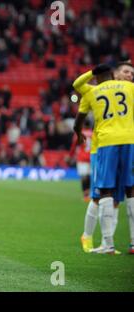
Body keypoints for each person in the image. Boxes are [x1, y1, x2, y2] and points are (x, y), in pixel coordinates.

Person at [74, 61, 134, 254]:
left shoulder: (92, 91)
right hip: (125, 142)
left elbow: (77, 86)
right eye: (126, 72)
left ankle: (108, 243)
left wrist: (78, 133)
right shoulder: (129, 88)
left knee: (107, 194)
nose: (129, 75)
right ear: (115, 74)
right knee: (109, 194)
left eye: (131, 73)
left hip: (105, 145)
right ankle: (89, 235)